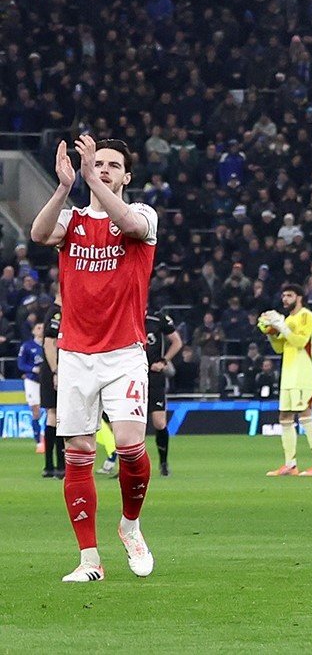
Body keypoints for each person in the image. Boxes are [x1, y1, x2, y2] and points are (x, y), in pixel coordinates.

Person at [31, 136, 159, 582]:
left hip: (124, 352)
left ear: (127, 176)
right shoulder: (72, 220)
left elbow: (129, 223)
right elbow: (38, 234)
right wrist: (64, 187)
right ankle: (89, 560)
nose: (102, 168)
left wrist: (90, 180)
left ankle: (130, 525)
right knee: (79, 451)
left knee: (128, 444)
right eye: (97, 162)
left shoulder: (142, 214)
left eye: (112, 165)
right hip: (75, 355)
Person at [257, 284, 312, 477]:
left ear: (299, 297)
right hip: (288, 376)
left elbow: (299, 342)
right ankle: (290, 464)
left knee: (305, 417)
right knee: (285, 419)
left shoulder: (307, 316)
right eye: (283, 295)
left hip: (304, 375)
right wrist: (271, 333)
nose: (285, 299)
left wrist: (282, 327)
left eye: (289, 295)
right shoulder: (288, 319)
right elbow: (280, 348)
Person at [143, 307, 181, 476]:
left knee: (159, 422)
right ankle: (129, 466)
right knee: (133, 424)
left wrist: (164, 361)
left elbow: (177, 341)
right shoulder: (125, 316)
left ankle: (163, 463)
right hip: (132, 376)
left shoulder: (157, 318)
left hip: (154, 376)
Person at [40, 298, 66, 477]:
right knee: (57, 415)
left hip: (53, 368)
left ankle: (50, 466)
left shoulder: (54, 312)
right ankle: (60, 466)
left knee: (53, 415)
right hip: (55, 368)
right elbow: (49, 343)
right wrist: (56, 371)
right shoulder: (57, 313)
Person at [18, 322, 45, 452]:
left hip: (46, 382)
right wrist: (33, 369)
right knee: (36, 410)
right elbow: (20, 364)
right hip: (32, 381)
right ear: (33, 331)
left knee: (50, 411)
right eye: (38, 328)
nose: (41, 330)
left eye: (43, 328)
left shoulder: (49, 345)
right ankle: (38, 441)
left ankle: (47, 437)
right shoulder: (27, 346)